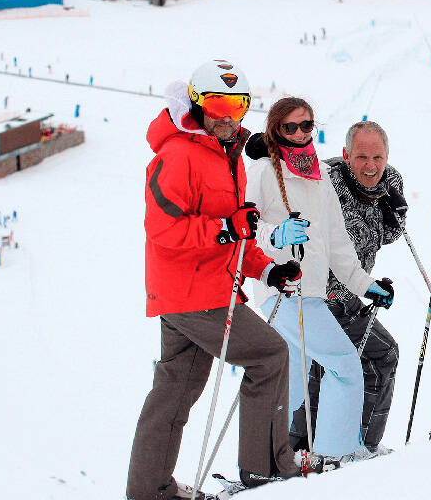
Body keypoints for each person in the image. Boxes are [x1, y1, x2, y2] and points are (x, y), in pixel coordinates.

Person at [126, 60, 307, 500]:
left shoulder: (226, 157)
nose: (228, 115)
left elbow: (236, 230)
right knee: (269, 355)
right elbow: (165, 231)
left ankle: (150, 490)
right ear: (197, 103)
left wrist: (266, 268)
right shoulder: (177, 155)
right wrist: (228, 228)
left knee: (176, 388)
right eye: (217, 103)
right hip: (193, 292)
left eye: (238, 104)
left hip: (198, 289)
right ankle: (264, 468)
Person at [244, 97, 395, 465]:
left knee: (292, 380)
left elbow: (337, 242)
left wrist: (364, 285)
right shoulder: (264, 171)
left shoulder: (319, 174)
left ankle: (266, 459)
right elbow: (247, 227)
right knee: (344, 365)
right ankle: (336, 452)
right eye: (289, 127)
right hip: (281, 289)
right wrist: (276, 235)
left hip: (310, 292)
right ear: (275, 130)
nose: (298, 134)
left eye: (306, 126)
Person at [287, 120, 404, 456]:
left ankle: (357, 443)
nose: (371, 166)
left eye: (378, 158)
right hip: (315, 295)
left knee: (376, 356)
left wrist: (395, 217)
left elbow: (386, 237)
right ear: (346, 154)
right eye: (362, 157)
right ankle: (303, 446)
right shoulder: (325, 181)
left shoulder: (391, 180)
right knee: (327, 363)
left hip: (352, 296)